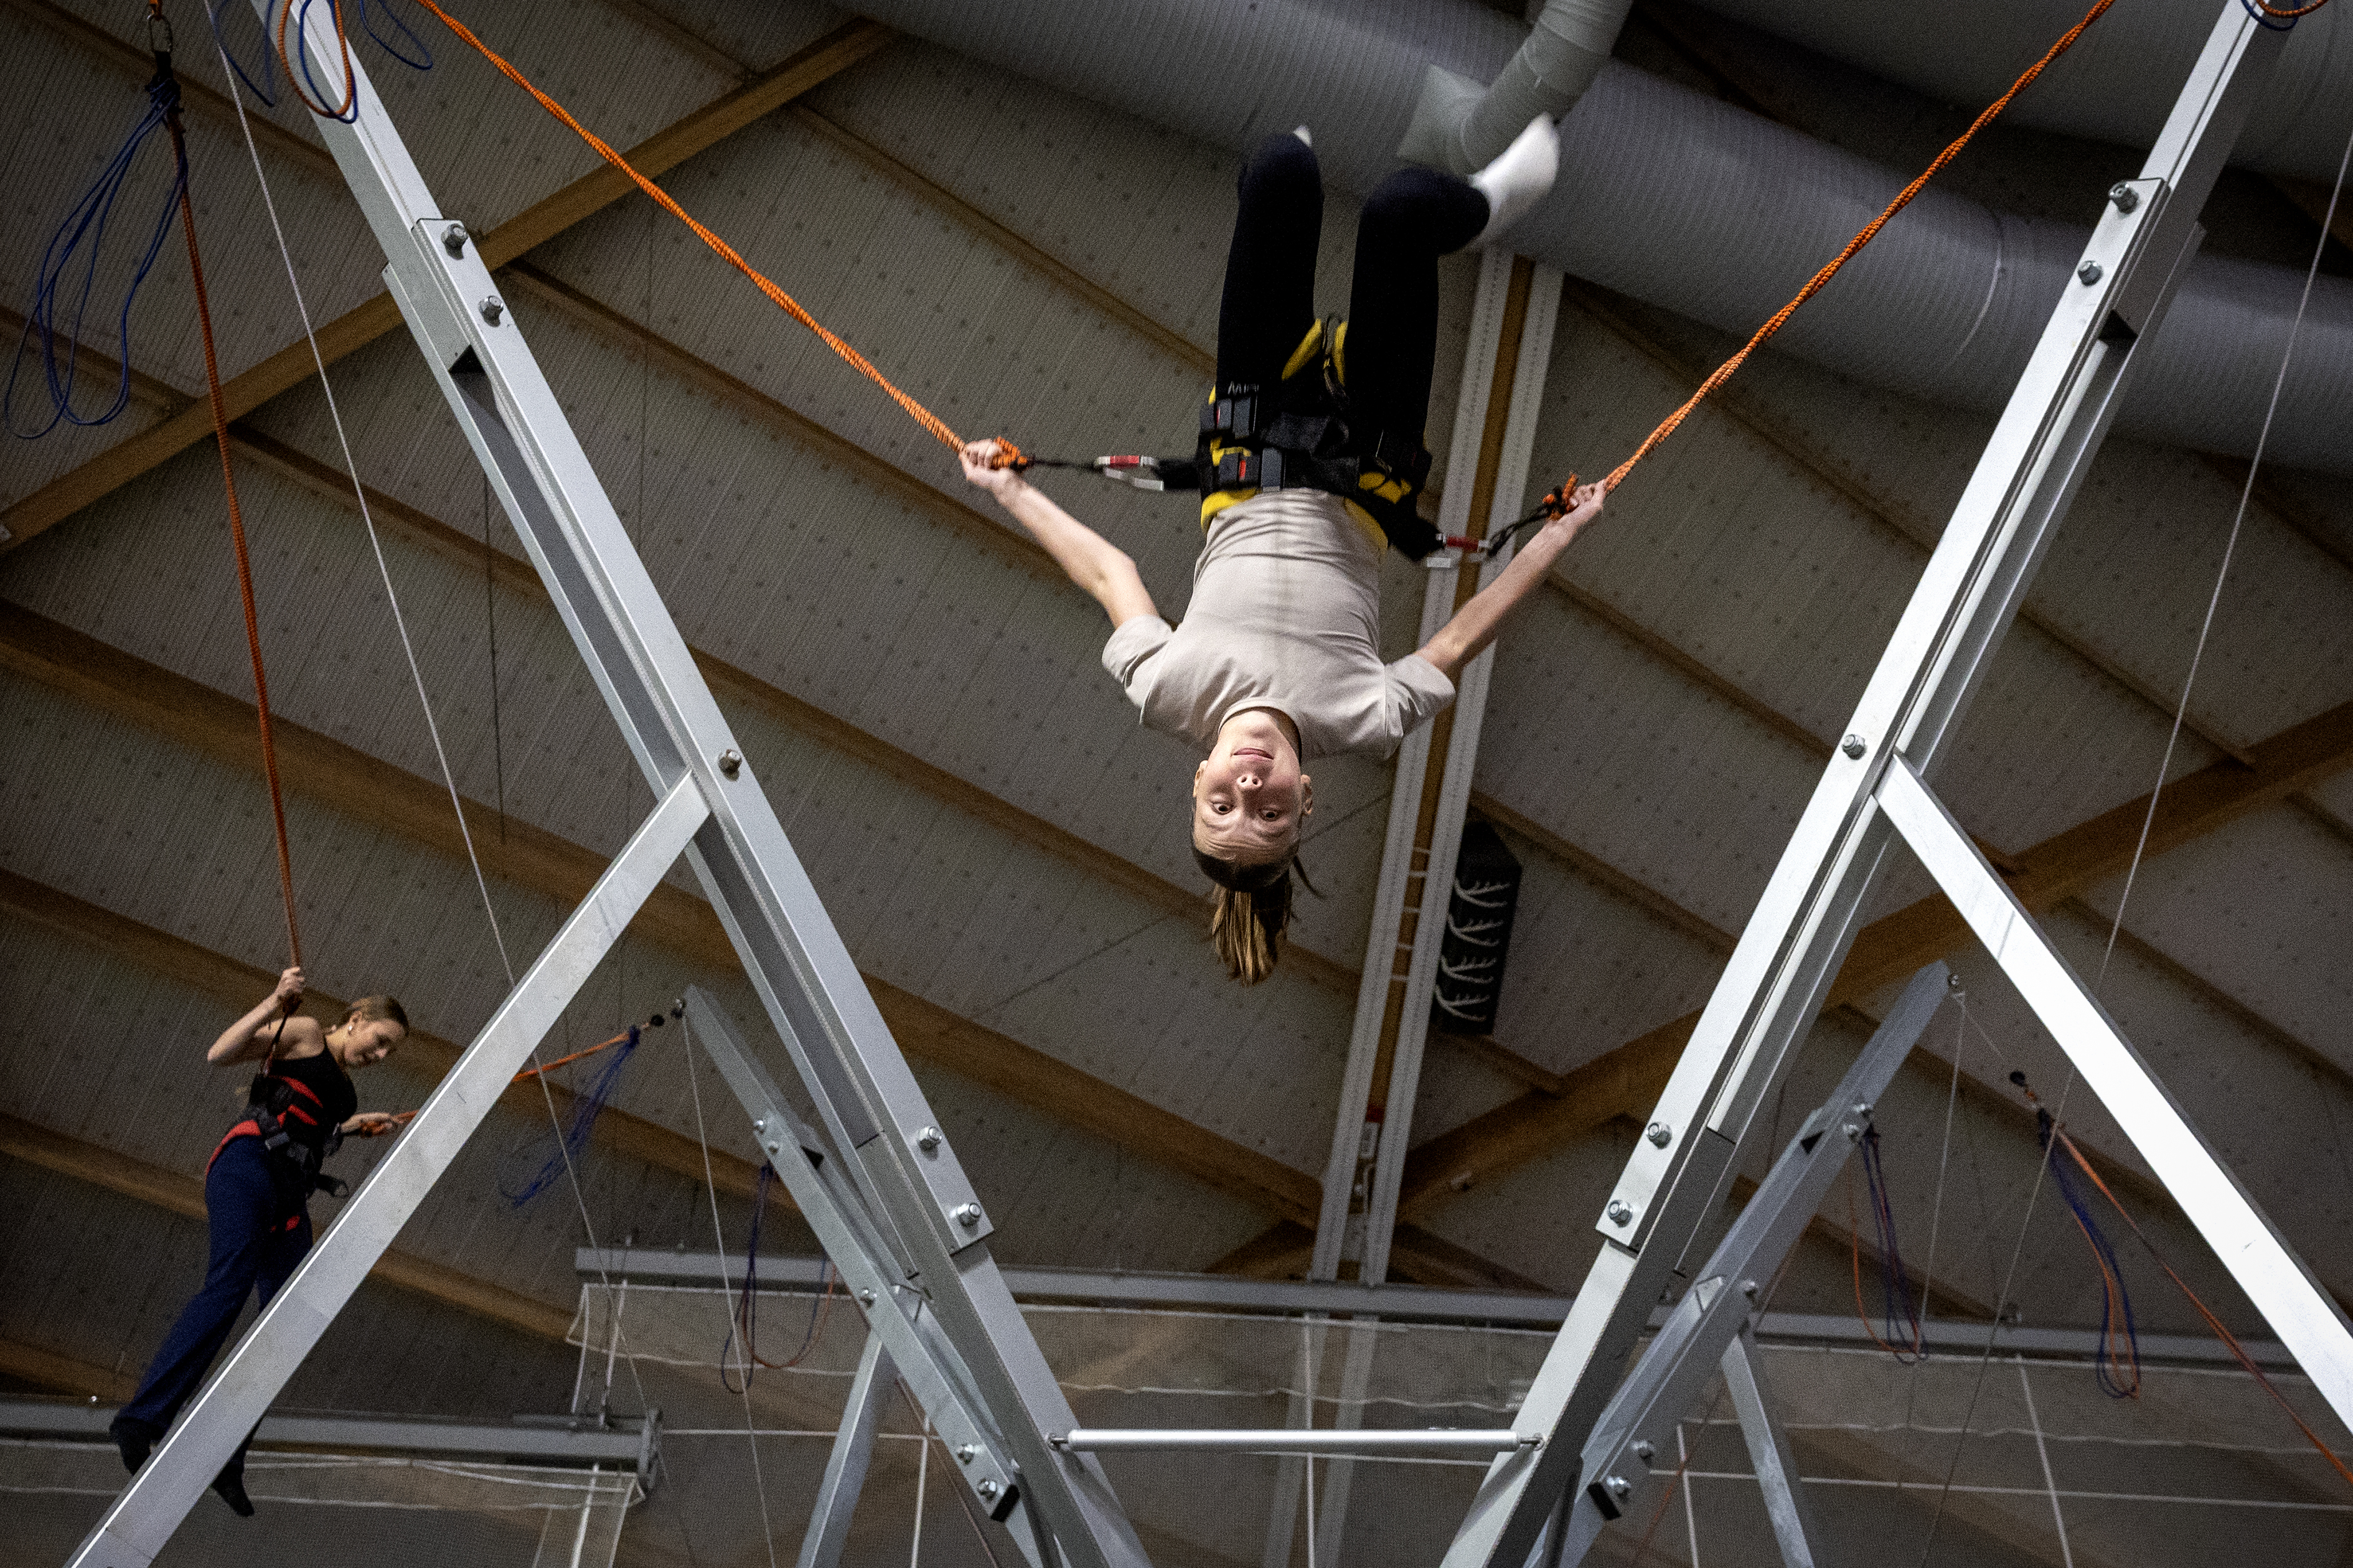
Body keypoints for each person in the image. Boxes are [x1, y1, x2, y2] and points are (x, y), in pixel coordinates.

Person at [962, 121, 1606, 983]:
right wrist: (1563, 533)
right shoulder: (1362, 719)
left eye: (1224, 801)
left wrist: (1010, 489)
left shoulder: (1167, 690)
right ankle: (1481, 208)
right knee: (1401, 210)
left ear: (1198, 781)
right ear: (1306, 803)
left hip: (1253, 424)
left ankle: (1305, 169)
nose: (1250, 786)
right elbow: (1466, 631)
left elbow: (1108, 572)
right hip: (1371, 448)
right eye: (1268, 814)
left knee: (1281, 166)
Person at [108, 967, 408, 1516]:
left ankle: (227, 1454)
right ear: (358, 1019)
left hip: (287, 1198)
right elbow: (220, 1053)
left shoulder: (342, 1089)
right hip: (247, 1168)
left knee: (290, 1324)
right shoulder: (308, 1031)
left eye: (390, 1051)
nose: (381, 1055)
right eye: (380, 1040)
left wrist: (349, 1125)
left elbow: (307, 1123)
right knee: (229, 1285)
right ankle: (140, 1418)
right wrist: (275, 1000)